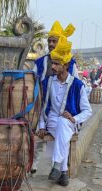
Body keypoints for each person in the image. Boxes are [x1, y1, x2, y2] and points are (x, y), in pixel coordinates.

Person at [37, 37, 92, 186]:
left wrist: (74, 119)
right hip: (52, 121)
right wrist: (41, 125)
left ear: (66, 65)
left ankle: (56, 165)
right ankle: (63, 170)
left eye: (56, 64)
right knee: (60, 125)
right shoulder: (48, 82)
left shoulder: (77, 85)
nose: (53, 67)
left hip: (70, 123)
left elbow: (88, 111)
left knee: (63, 123)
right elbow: (43, 107)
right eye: (52, 63)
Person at [31, 20, 79, 174]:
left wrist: (74, 115)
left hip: (64, 112)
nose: (51, 44)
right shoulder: (40, 63)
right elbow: (32, 83)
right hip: (42, 108)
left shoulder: (71, 64)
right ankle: (33, 168)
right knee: (38, 137)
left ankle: (60, 169)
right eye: (49, 41)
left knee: (61, 132)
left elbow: (76, 87)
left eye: (54, 41)